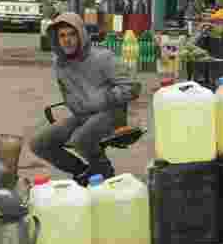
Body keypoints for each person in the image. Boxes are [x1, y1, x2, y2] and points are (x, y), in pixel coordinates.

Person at [30, 12, 140, 180]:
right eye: (62, 35)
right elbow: (68, 93)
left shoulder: (103, 58)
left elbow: (132, 87)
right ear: (56, 39)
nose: (67, 40)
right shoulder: (60, 64)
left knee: (79, 139)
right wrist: (75, 106)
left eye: (72, 34)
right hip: (82, 116)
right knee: (39, 143)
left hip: (111, 114)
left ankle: (104, 171)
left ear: (81, 34)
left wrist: (104, 98)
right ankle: (83, 171)